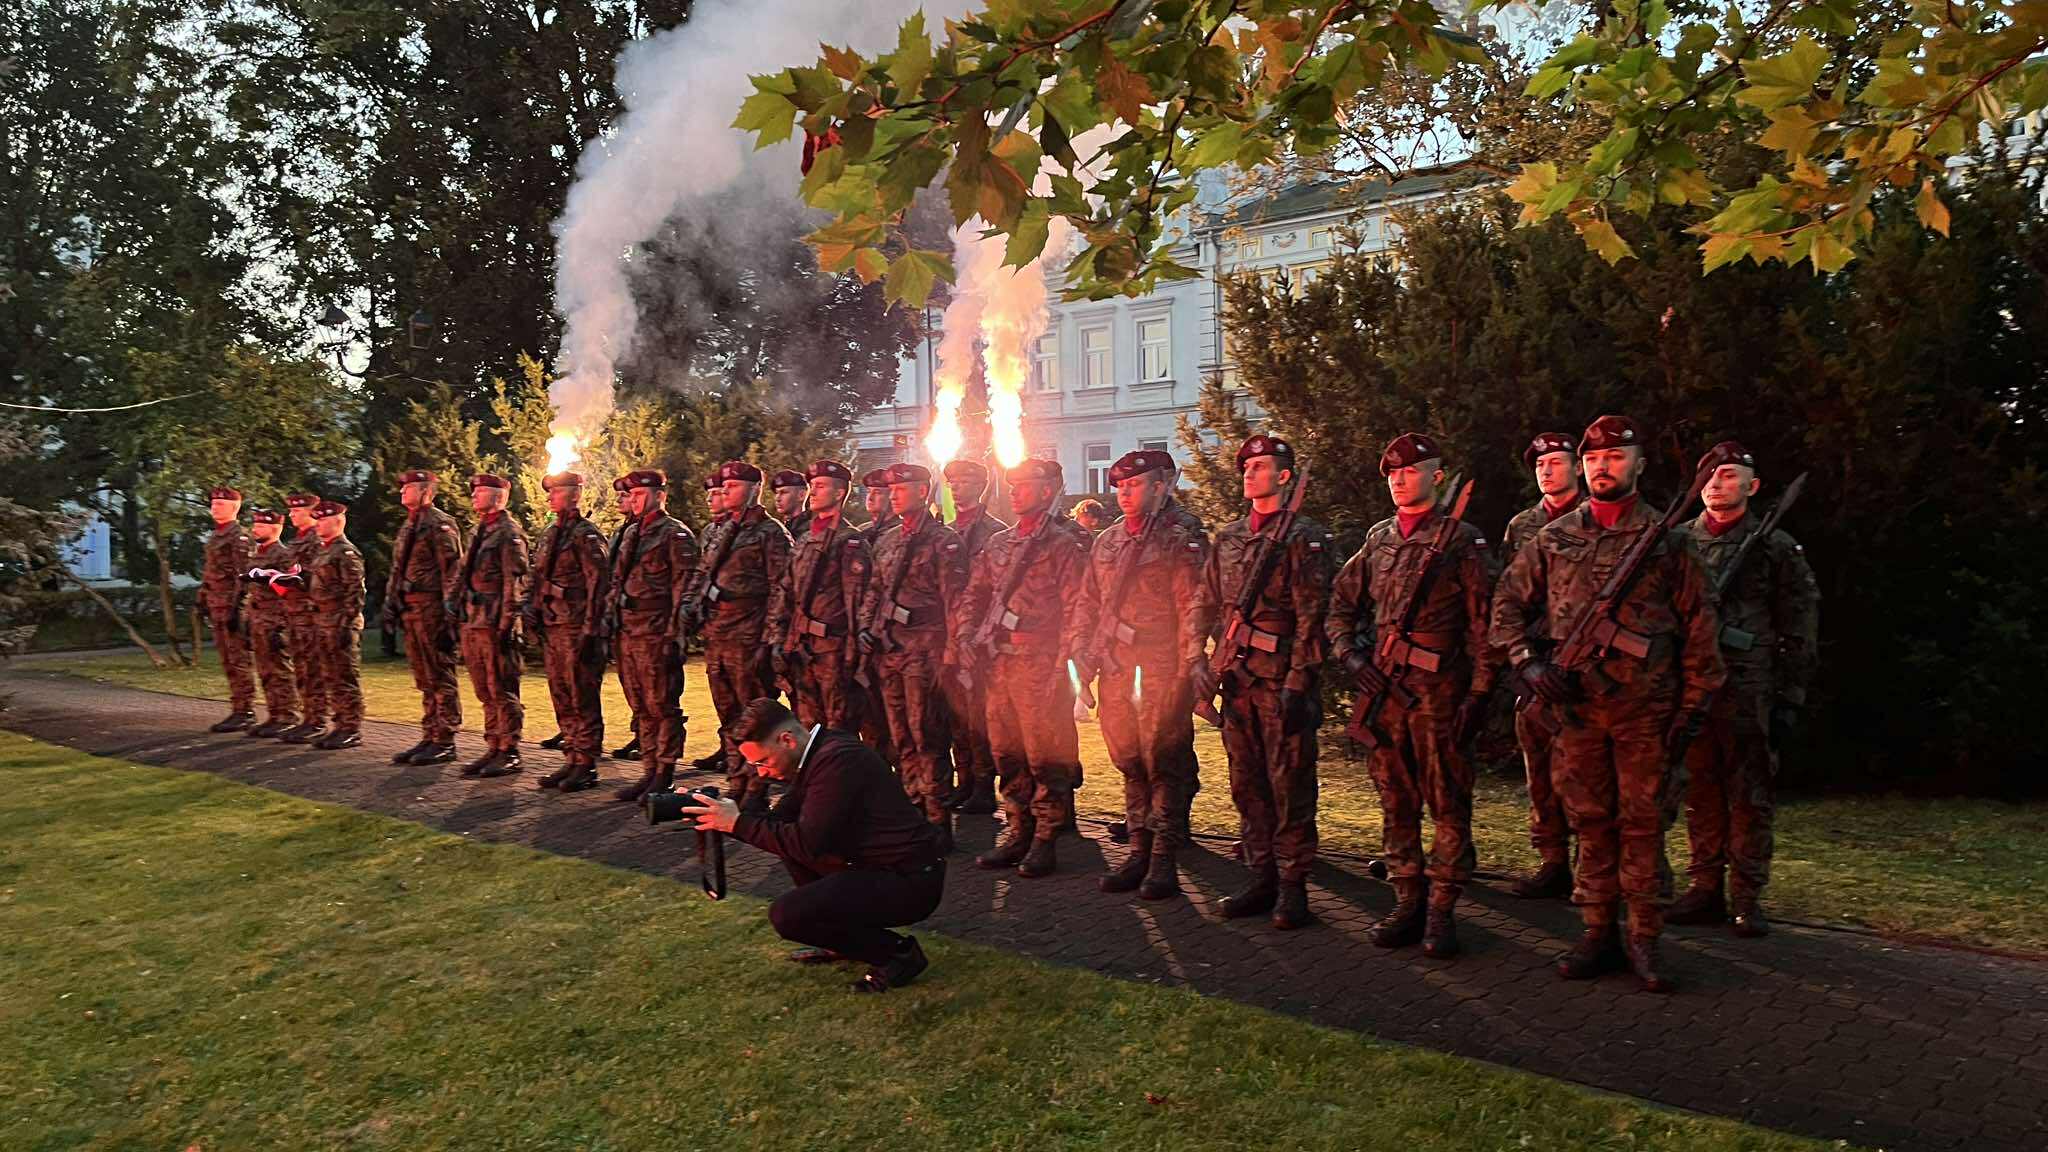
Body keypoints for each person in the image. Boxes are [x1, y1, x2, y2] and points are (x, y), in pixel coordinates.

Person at [1491, 415, 1725, 993]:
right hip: (1576, 712)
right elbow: (1506, 604)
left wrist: (1693, 707)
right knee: (1590, 821)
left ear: (1638, 465)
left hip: (1648, 712)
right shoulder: (1554, 537)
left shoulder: (1670, 541)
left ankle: (1644, 937)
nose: (1602, 466)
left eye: (1615, 457)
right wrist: (1528, 663)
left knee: (1643, 824)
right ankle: (1597, 931)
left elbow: (1702, 631)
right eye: (1594, 459)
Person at [1326, 433, 1498, 958]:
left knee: (1447, 801)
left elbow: (1484, 625)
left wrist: (1480, 693)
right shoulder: (1379, 540)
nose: (1399, 481)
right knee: (1395, 800)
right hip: (1387, 694)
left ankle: (1442, 909)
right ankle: (1407, 899)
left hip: (1440, 695)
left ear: (1436, 477)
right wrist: (1352, 658)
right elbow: (1340, 605)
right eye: (1393, 474)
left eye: (1410, 471)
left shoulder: (1462, 541)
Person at [680, 698, 944, 993]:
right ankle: (844, 941)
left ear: (787, 740)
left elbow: (807, 843)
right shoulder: (820, 754)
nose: (762, 773)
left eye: (762, 762)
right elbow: (777, 824)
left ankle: (898, 955)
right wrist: (715, 814)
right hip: (882, 869)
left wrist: (737, 823)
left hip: (910, 881)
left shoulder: (839, 761)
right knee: (786, 844)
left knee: (787, 915)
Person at [1669, 441, 1820, 938]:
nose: (1717, 483)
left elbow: (1799, 622)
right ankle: (1704, 887)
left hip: (1748, 687)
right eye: (1709, 475)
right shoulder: (1676, 541)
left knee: (1750, 794)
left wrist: (1790, 696)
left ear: (1752, 487)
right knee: (1700, 788)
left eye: (1729, 475)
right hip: (1690, 685)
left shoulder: (1775, 546)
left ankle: (1747, 896)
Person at [1193, 434, 1334, 930]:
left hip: (1281, 682)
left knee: (1290, 785)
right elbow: (1204, 601)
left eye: (1261, 466)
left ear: (1285, 476)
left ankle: (1293, 887)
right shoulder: (1229, 537)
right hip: (1237, 679)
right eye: (1246, 467)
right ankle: (1262, 877)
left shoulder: (1306, 537)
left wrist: (1299, 680)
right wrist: (1195, 659)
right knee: (1246, 783)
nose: (1249, 474)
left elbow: (1314, 617)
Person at [1069, 449, 1208, 899]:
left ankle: (1163, 859)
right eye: (1120, 487)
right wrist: (1081, 650)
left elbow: (1193, 606)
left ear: (1160, 486)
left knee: (1162, 761)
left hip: (1161, 665)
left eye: (1135, 485)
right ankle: (1138, 850)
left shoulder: (1179, 538)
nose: (1124, 493)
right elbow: (1088, 601)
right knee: (1128, 760)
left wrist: (1191, 664)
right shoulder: (1108, 541)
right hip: (1115, 667)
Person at [955, 458, 1090, 875]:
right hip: (999, 666)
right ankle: (1017, 831)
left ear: (1047, 492)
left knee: (1044, 757)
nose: (1015, 493)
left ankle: (1045, 839)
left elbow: (1078, 609)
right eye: (1012, 486)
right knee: (1006, 753)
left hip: (1041, 665)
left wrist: (1064, 666)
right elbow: (973, 594)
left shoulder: (1062, 545)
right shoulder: (999, 544)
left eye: (1025, 486)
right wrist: (966, 634)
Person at [858, 462, 967, 850]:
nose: (894, 496)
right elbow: (873, 591)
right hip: (890, 651)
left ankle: (938, 820)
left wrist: (952, 653)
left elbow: (956, 602)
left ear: (923, 492)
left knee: (928, 737)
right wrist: (866, 629)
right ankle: (913, 812)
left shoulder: (944, 541)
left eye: (901, 489)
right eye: (890, 490)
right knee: (901, 737)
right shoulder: (888, 540)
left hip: (926, 651)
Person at [1496, 432, 1584, 900]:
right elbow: (1507, 596)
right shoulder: (1522, 526)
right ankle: (1552, 859)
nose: (1547, 471)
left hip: (1585, 663)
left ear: (1578, 467)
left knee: (1587, 770)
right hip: (1534, 663)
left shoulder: (1597, 519)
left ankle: (1591, 866)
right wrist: (1520, 660)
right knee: (1540, 768)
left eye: (1556, 462)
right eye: (1540, 465)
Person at [688, 460, 793, 812]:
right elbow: (702, 574)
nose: (725, 491)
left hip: (749, 634)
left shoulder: (770, 533)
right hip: (718, 634)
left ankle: (757, 787)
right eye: (724, 486)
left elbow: (782, 588)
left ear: (754, 489)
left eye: (733, 486)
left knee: (756, 715)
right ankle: (737, 781)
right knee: (729, 715)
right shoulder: (722, 530)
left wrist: (772, 637)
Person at [607, 469, 700, 802]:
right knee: (640, 705)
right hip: (628, 631)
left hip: (656, 631)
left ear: (660, 496)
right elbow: (617, 580)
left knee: (662, 705)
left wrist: (676, 635)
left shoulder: (675, 534)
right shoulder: (632, 533)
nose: (633, 501)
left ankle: (665, 773)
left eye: (640, 495)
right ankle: (649, 770)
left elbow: (684, 588)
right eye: (631, 495)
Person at [766, 460, 871, 730]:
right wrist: (778, 639)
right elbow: (785, 592)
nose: (812, 492)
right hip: (802, 649)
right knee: (807, 728)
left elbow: (858, 605)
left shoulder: (849, 541)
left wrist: (854, 656)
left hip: (833, 651)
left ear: (839, 493)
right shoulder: (804, 540)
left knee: (838, 729)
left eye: (820, 486)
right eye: (812, 485)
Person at [527, 471, 611, 792]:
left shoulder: (586, 535)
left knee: (582, 696)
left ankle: (586, 763)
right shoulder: (551, 534)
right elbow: (537, 576)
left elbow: (598, 585)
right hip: (554, 626)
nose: (550, 496)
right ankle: (572, 756)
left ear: (574, 494)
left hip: (577, 627)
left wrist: (592, 630)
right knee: (561, 695)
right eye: (549, 491)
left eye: (557, 491)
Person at [939, 458, 1007, 814]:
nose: (955, 488)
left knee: (979, 714)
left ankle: (983, 785)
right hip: (946, 636)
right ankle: (964, 780)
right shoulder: (946, 531)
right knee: (955, 715)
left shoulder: (995, 532)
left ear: (979, 487)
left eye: (963, 482)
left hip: (980, 637)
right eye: (952, 483)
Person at [384, 469, 466, 766]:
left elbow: (451, 572)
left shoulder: (439, 524)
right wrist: (391, 602)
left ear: (426, 491)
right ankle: (430, 733)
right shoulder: (409, 525)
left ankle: (445, 738)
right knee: (424, 676)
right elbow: (398, 568)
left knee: (439, 673)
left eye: (409, 488)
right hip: (411, 608)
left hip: (432, 609)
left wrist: (449, 613)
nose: (402, 492)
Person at [451, 474, 530, 777]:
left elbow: (515, 581)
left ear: (498, 496)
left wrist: (507, 623)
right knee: (484, 689)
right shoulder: (479, 530)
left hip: (496, 621)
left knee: (502, 688)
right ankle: (494, 745)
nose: (473, 495)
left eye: (480, 491)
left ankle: (510, 750)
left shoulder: (509, 533)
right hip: (475, 620)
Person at [306, 499, 366, 750]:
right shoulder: (324, 551)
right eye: (317, 520)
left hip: (339, 623)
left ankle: (351, 728)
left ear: (338, 521)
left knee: (344, 676)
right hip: (323, 622)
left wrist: (346, 623)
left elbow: (355, 591)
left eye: (322, 520)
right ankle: (339, 724)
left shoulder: (345, 552)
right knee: (330, 676)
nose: (317, 524)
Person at [200, 485, 258, 732]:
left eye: (221, 504)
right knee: (227, 660)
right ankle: (237, 707)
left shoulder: (239, 537)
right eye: (213, 504)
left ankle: (245, 710)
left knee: (238, 659)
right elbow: (211, 571)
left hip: (232, 607)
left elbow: (246, 576)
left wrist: (239, 608)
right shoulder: (216, 536)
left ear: (235, 508)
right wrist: (203, 598)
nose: (215, 508)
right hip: (218, 606)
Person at [853, 467, 900, 763]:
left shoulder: (902, 535)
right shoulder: (860, 534)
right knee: (866, 713)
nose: (871, 497)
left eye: (879, 493)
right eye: (869, 492)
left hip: (890, 637)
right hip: (859, 632)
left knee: (893, 715)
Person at [241, 507, 302, 737]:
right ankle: (274, 714)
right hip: (258, 619)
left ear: (276, 528)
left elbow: (291, 591)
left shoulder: (284, 556)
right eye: (255, 525)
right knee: (265, 670)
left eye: (261, 526)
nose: (255, 529)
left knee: (281, 670)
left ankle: (288, 715)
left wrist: (282, 624)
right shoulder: (256, 554)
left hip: (276, 620)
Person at [277, 493, 330, 744]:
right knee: (301, 668)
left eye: (297, 511)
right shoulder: (296, 542)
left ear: (311, 513)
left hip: (310, 614)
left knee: (313, 669)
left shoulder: (317, 541)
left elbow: (316, 578)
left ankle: (317, 720)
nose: (291, 515)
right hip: (294, 613)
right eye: (291, 511)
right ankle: (308, 718)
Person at [604, 475, 642, 762]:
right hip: (622, 620)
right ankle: (640, 733)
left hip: (645, 622)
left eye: (625, 495)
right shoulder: (622, 532)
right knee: (631, 683)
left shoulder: (654, 532)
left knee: (651, 688)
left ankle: (648, 739)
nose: (620, 500)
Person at [770, 468, 811, 537]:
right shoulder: (777, 528)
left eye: (783, 492)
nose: (777, 498)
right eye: (776, 493)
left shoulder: (810, 529)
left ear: (801, 495)